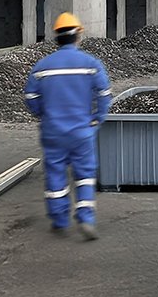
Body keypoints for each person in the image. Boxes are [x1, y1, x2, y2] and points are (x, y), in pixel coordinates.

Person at [24, 13, 112, 240]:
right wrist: (97, 118)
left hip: (53, 131)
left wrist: (43, 114)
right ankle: (86, 218)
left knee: (55, 174)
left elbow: (30, 96)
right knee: (84, 175)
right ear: (78, 36)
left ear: (56, 38)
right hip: (81, 131)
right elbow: (104, 93)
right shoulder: (90, 64)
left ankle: (60, 219)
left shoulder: (43, 66)